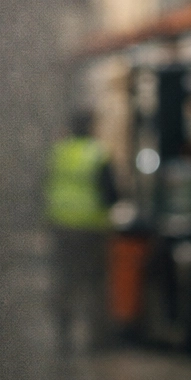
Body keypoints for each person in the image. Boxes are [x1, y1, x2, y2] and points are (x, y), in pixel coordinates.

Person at [45, 110, 116, 351]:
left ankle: (63, 337)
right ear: (91, 127)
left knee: (65, 281)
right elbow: (112, 194)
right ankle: (96, 341)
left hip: (62, 228)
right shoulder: (98, 153)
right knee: (94, 283)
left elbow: (41, 188)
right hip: (92, 230)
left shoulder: (57, 152)